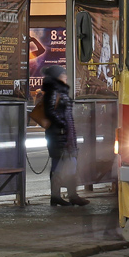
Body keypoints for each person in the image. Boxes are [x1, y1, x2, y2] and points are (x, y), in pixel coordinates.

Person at [42, 65, 89, 206]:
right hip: (59, 135)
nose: (65, 77)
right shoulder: (53, 92)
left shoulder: (59, 91)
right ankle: (59, 196)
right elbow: (50, 111)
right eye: (63, 75)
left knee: (69, 164)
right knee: (60, 165)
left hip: (65, 135)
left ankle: (70, 195)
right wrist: (62, 124)